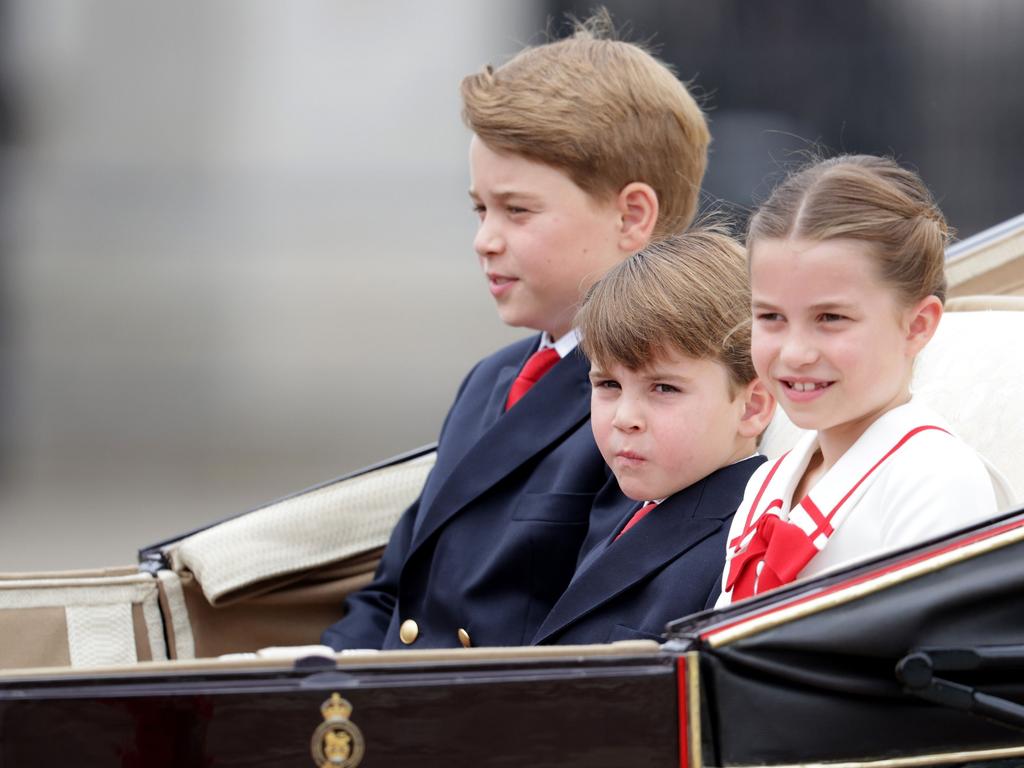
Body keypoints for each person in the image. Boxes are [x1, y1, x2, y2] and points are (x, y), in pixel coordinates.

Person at [322, 13, 710, 650]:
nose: (484, 240)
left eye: (517, 210)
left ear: (632, 214)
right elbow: (394, 591)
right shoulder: (492, 379)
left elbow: (594, 631)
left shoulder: (661, 401)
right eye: (480, 208)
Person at [718, 155, 1011, 606]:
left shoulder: (936, 480)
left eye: (830, 318)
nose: (795, 352)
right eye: (771, 316)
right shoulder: (767, 482)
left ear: (917, 325)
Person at [532, 231, 774, 645]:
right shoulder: (630, 503)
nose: (625, 418)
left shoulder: (745, 547)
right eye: (608, 384)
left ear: (751, 407)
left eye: (664, 388)